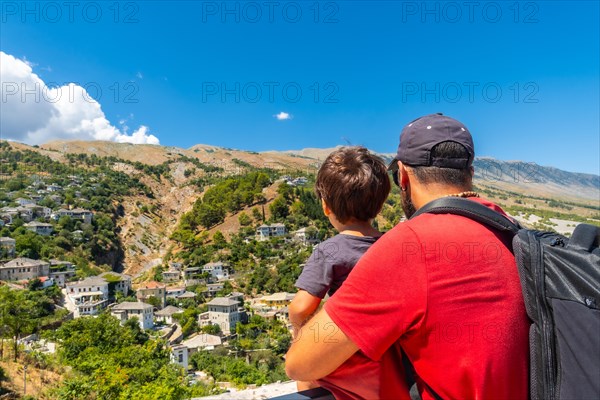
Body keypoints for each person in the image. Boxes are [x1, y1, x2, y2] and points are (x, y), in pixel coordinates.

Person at [285, 113, 529, 400]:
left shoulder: (409, 245)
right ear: (470, 173)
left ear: (402, 175)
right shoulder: (516, 233)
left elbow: (300, 364)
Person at [288, 146, 394, 398]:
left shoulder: (329, 250)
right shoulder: (393, 245)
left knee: (305, 377)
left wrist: (300, 335)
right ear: (379, 206)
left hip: (345, 357)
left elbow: (300, 307)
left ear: (326, 206)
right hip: (387, 358)